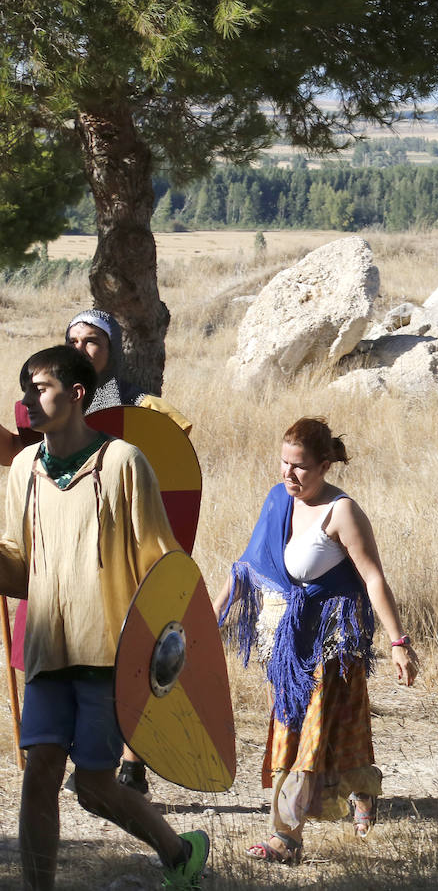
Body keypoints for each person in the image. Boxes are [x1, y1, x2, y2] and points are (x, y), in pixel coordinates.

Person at [0, 346, 207, 890]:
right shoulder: (23, 469)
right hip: (48, 647)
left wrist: (161, 656)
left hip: (109, 654)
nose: (28, 401)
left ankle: (177, 849)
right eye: (25, 389)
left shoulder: (122, 462)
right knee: (40, 771)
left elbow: (161, 564)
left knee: (92, 786)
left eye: (39, 388)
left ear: (76, 395)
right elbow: (20, 568)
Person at [213, 418, 419, 863]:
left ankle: (286, 838)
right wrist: (214, 617)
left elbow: (372, 577)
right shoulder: (276, 500)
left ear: (325, 465)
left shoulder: (342, 512)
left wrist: (397, 641)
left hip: (333, 642)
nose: (289, 474)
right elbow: (247, 566)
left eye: (300, 467)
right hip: (287, 646)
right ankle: (362, 790)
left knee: (309, 735)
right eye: (284, 463)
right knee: (324, 729)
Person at [2, 309, 190, 467]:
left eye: (91, 341)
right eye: (72, 342)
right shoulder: (49, 403)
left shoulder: (144, 407)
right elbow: (13, 451)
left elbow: (170, 460)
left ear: (112, 350)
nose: (79, 349)